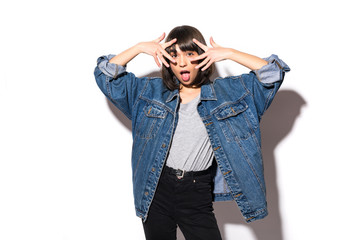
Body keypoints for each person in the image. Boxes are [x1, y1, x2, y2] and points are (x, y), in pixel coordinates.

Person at [94, 25, 290, 240]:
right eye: (174, 54)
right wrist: (139, 48)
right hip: (156, 189)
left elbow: (272, 74)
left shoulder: (227, 93)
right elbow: (106, 75)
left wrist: (230, 53)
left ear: (202, 57)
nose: (182, 62)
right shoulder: (149, 92)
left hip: (196, 191)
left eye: (189, 54)